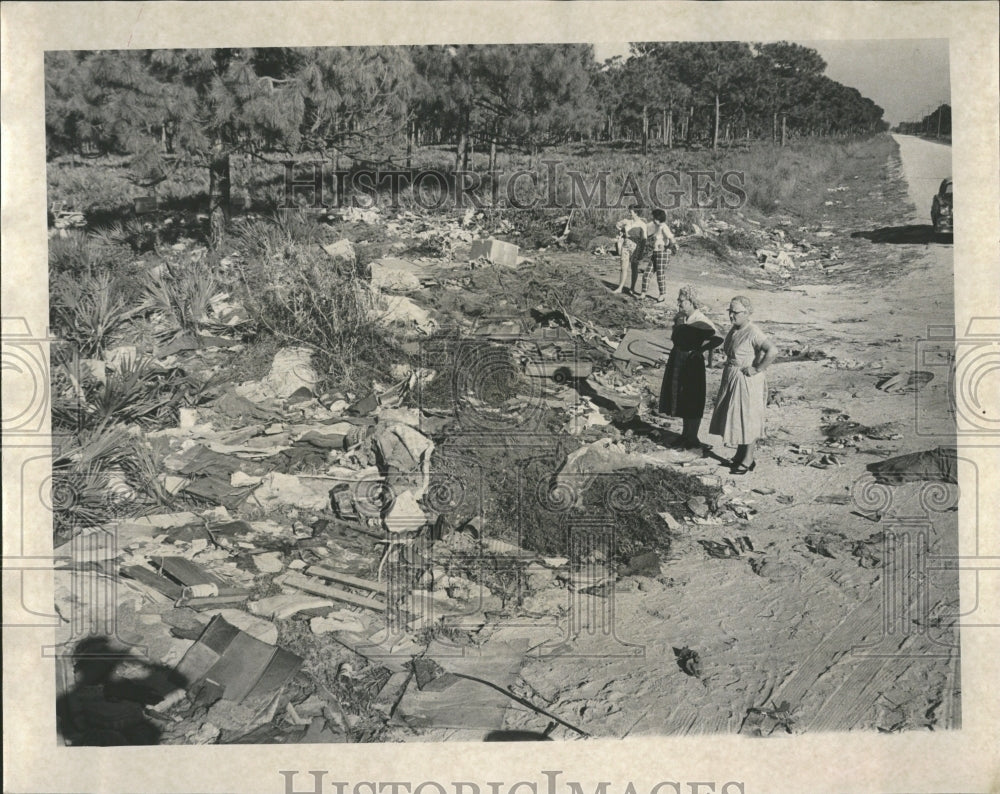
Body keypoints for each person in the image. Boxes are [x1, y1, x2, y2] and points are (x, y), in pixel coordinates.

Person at [709, 295, 777, 474]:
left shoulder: (753, 331)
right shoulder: (735, 329)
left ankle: (749, 458)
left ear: (747, 313)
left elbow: (772, 350)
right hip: (733, 377)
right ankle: (740, 453)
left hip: (747, 381)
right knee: (738, 417)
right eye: (730, 311)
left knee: (749, 418)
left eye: (736, 312)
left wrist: (758, 368)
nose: (731, 315)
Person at [658, 286, 724, 449]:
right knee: (682, 398)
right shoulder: (682, 317)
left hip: (692, 363)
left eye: (682, 301)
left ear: (691, 302)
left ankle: (692, 437)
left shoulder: (701, 320)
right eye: (679, 300)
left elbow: (718, 339)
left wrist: (700, 350)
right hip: (678, 359)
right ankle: (685, 435)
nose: (679, 303)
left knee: (692, 400)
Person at [638, 208, 677, 303]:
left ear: (658, 218)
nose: (653, 220)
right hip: (655, 253)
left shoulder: (664, 227)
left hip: (662, 254)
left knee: (660, 274)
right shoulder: (657, 227)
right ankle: (643, 293)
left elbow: (672, 239)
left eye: (654, 218)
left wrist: (668, 247)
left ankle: (662, 294)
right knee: (647, 273)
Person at [612, 212, 646, 294]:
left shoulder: (642, 224)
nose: (630, 214)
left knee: (634, 268)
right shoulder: (627, 221)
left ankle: (632, 288)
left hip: (636, 247)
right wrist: (622, 231)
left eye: (631, 212)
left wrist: (641, 251)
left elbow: (644, 239)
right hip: (625, 246)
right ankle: (620, 288)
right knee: (623, 267)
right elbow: (617, 225)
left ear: (637, 213)